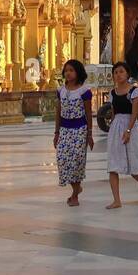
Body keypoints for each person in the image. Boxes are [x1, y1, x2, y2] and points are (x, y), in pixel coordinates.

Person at [106, 61, 138, 208]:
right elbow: (113, 113)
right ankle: (116, 200)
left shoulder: (134, 91)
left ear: (127, 74)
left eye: (121, 72)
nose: (118, 75)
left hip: (129, 126)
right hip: (116, 127)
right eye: (116, 72)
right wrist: (112, 128)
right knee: (113, 164)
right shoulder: (112, 93)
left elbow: (135, 113)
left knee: (134, 166)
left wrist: (129, 131)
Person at [54, 59, 94, 206]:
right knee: (63, 159)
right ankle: (76, 188)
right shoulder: (61, 90)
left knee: (76, 161)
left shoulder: (84, 92)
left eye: (71, 70)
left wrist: (89, 134)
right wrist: (56, 132)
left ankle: (75, 195)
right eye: (66, 70)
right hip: (65, 128)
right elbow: (58, 111)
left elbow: (88, 113)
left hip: (80, 129)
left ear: (78, 73)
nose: (68, 73)